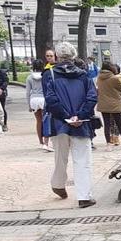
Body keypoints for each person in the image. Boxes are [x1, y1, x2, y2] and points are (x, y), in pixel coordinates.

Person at [42, 42, 98, 208]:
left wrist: (66, 117)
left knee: (60, 157)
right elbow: (92, 97)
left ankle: (58, 185)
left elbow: (51, 100)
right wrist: (79, 116)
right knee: (83, 160)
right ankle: (84, 196)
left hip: (59, 123)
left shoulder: (49, 74)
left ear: (57, 57)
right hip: (82, 123)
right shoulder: (84, 75)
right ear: (73, 56)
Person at [96, 61, 121, 149]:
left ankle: (108, 144)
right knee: (119, 123)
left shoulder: (99, 78)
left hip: (103, 103)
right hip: (115, 104)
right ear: (111, 68)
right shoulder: (115, 78)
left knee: (107, 124)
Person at [27, 60, 52, 151]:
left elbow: (27, 92)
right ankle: (46, 141)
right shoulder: (45, 75)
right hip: (43, 98)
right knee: (46, 120)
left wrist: (29, 105)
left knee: (38, 121)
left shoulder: (29, 77)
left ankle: (40, 141)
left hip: (34, 99)